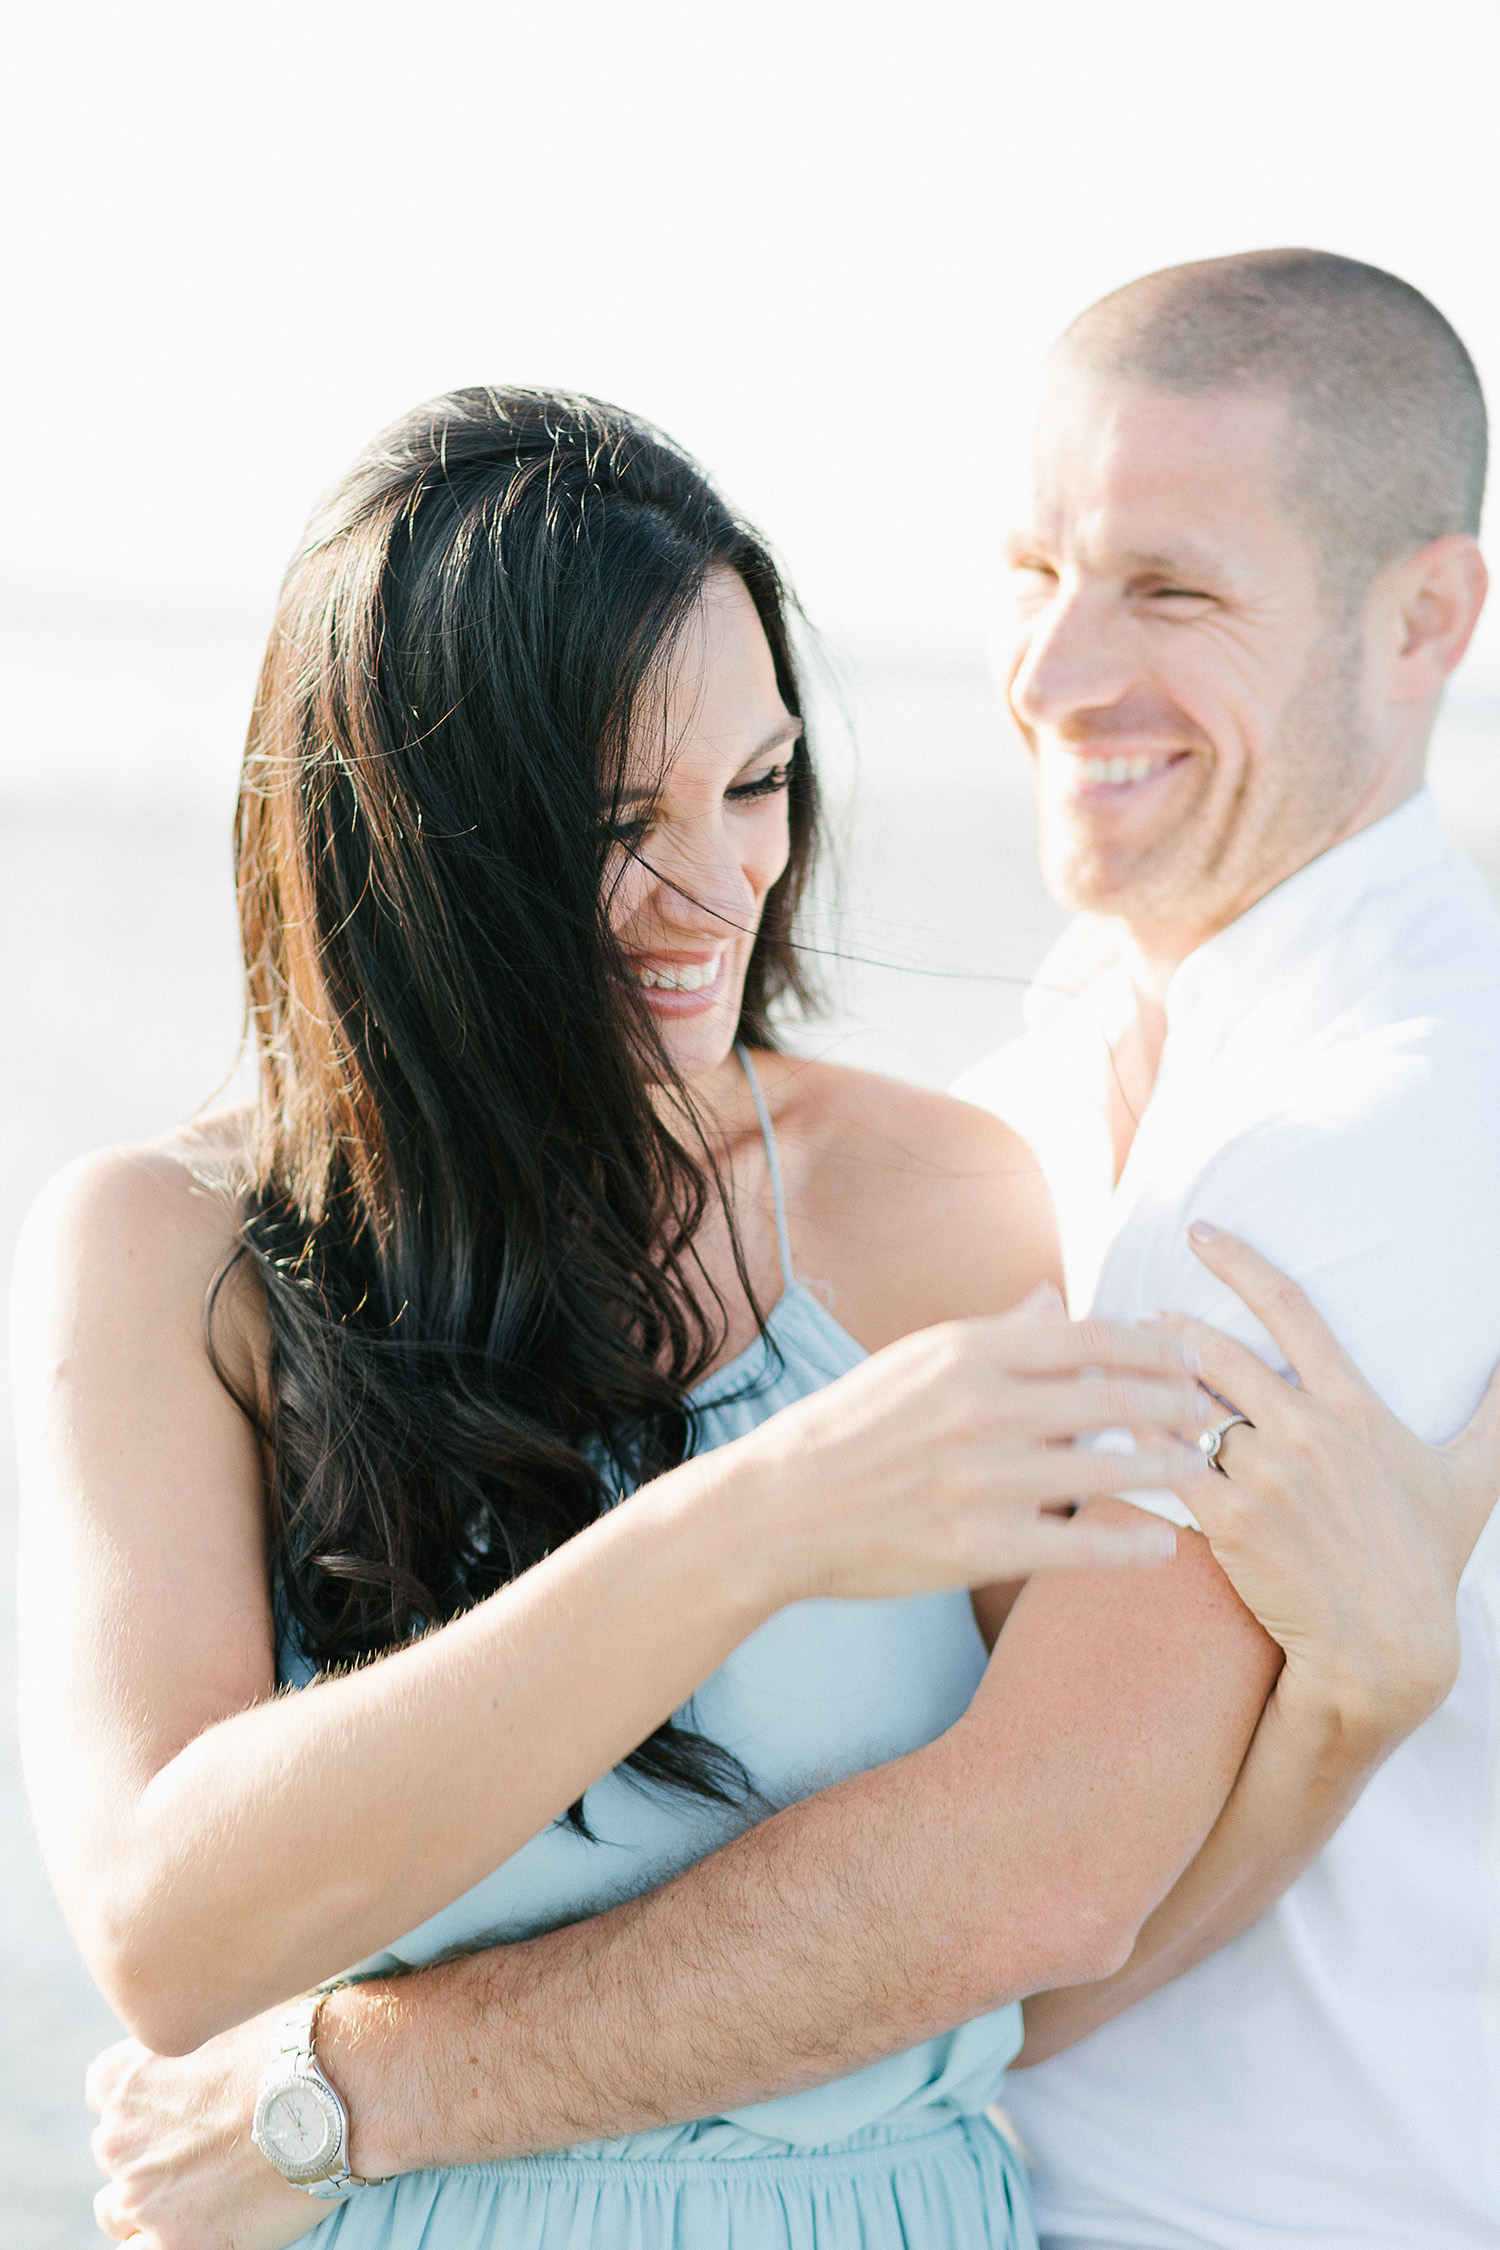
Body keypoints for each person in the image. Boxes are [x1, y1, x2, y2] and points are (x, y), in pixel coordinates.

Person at [52, 319, 1495, 2250]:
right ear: (407, 835)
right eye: (613, 826)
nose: (716, 893)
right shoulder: (174, 1251)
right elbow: (168, 1929)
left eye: (757, 785)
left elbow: (1041, 1926)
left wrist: (1349, 1713)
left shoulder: (948, 1200)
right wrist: (766, 1512)